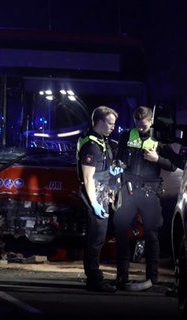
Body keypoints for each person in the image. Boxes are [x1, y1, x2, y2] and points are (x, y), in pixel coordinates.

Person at [113, 106, 182, 291]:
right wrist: (118, 166)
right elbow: (118, 158)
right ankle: (122, 277)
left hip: (150, 192)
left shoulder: (159, 140)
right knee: (121, 233)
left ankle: (153, 278)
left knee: (152, 235)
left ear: (150, 121)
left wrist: (157, 159)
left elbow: (174, 165)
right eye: (137, 125)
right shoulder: (127, 136)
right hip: (128, 190)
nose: (140, 128)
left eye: (143, 125)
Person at [76, 105, 122, 292]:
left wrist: (111, 173)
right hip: (94, 194)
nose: (113, 127)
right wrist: (94, 203)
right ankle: (94, 279)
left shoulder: (101, 141)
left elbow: (100, 171)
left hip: (101, 192)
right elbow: (88, 178)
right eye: (110, 123)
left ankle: (94, 276)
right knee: (96, 238)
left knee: (99, 237)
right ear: (99, 122)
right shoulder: (91, 145)